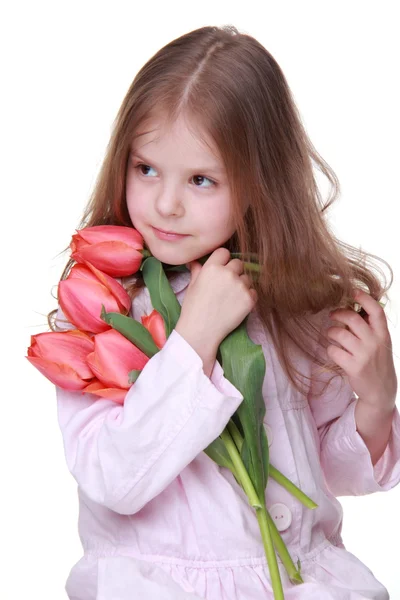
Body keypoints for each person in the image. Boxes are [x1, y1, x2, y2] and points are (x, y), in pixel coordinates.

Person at [51, 25, 399, 599]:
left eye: (202, 179)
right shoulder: (103, 311)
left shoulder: (293, 305)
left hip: (298, 578)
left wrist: (378, 400)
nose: (166, 203)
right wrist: (194, 339)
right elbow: (115, 479)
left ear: (260, 183)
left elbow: (331, 473)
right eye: (146, 169)